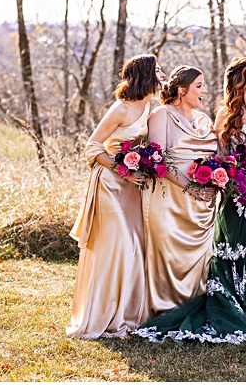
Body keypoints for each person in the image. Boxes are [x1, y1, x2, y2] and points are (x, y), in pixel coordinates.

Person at [135, 58, 246, 341]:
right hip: (238, 198)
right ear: (242, 82)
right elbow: (222, 160)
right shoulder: (224, 118)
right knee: (239, 254)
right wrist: (230, 178)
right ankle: (242, 310)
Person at [68, 55, 159, 337]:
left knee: (135, 245)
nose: (163, 75)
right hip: (110, 183)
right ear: (145, 76)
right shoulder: (121, 108)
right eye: (158, 71)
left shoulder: (148, 108)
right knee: (119, 244)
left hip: (131, 188)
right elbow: (93, 146)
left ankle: (129, 314)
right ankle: (104, 316)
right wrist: (124, 170)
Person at [141, 65, 218, 315]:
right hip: (169, 199)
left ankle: (195, 309)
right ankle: (163, 310)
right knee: (168, 255)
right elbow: (158, 160)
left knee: (200, 260)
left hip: (202, 205)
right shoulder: (162, 114)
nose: (204, 90)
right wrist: (190, 187)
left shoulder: (205, 120)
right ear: (182, 90)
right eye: (199, 86)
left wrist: (216, 180)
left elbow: (217, 157)